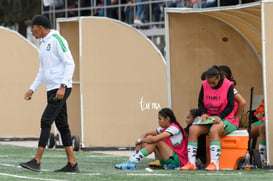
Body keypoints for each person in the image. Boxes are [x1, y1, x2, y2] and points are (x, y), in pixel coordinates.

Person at [19, 15, 79, 173]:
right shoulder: (43, 44)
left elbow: (70, 63)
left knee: (46, 121)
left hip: (60, 89)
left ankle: (36, 161)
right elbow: (42, 71)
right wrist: (32, 88)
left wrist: (63, 86)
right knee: (62, 125)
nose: (32, 32)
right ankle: (72, 164)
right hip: (51, 89)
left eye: (33, 28)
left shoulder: (57, 40)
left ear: (40, 27)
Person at [181, 65, 237, 171]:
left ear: (218, 77)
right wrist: (203, 113)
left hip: (226, 118)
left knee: (214, 130)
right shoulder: (205, 84)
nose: (210, 85)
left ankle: (214, 163)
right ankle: (191, 163)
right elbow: (200, 102)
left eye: (213, 83)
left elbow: (231, 106)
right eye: (209, 82)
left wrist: (220, 116)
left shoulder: (228, 85)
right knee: (193, 129)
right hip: (210, 118)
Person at [115, 108, 188, 170]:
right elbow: (146, 134)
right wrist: (140, 142)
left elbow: (154, 139)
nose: (158, 121)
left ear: (167, 119)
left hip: (178, 161)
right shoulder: (166, 128)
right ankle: (131, 160)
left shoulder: (174, 128)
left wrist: (139, 140)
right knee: (147, 141)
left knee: (155, 141)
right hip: (171, 158)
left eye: (160, 119)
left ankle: (133, 162)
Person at [250, 98, 266, 166]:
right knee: (247, 130)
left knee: (262, 127)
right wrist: (259, 114)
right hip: (263, 119)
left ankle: (261, 158)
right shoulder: (268, 93)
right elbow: (261, 108)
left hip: (266, 122)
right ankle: (251, 156)